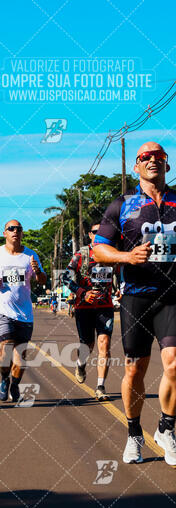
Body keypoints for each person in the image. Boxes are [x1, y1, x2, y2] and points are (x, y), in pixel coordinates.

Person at [94, 141, 176, 466]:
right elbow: (99, 249)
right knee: (134, 368)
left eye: (159, 156)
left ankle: (167, 428)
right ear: (137, 166)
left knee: (173, 364)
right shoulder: (122, 205)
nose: (152, 160)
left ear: (167, 165)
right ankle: (133, 435)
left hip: (172, 295)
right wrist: (127, 256)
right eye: (145, 157)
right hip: (136, 297)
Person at [0, 219, 46, 403]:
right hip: (2, 310)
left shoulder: (30, 256)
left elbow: (42, 280)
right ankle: (3, 379)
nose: (15, 231)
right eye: (11, 228)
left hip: (24, 312)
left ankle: (15, 383)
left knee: (20, 356)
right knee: (6, 347)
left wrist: (38, 270)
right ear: (5, 233)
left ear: (22, 233)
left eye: (18, 229)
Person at [63, 223, 115, 401]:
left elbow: (121, 270)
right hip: (84, 306)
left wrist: (121, 287)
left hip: (105, 306)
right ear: (90, 235)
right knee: (87, 344)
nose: (99, 234)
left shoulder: (112, 252)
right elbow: (65, 277)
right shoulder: (82, 254)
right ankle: (81, 364)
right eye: (95, 232)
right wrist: (82, 293)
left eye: (102, 232)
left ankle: (100, 387)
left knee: (104, 344)